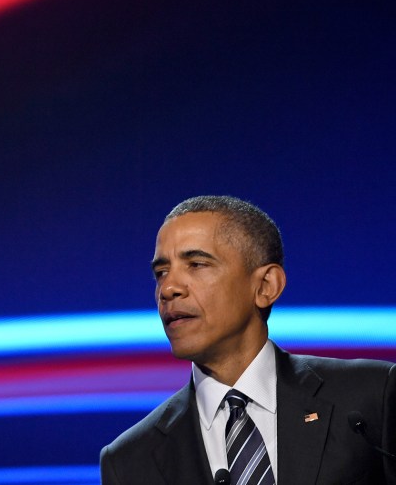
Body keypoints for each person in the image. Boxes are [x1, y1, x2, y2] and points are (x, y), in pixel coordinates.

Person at [100, 195, 395, 484]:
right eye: (161, 272)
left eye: (197, 264)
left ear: (266, 286)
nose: (168, 288)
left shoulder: (371, 398)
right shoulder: (128, 460)